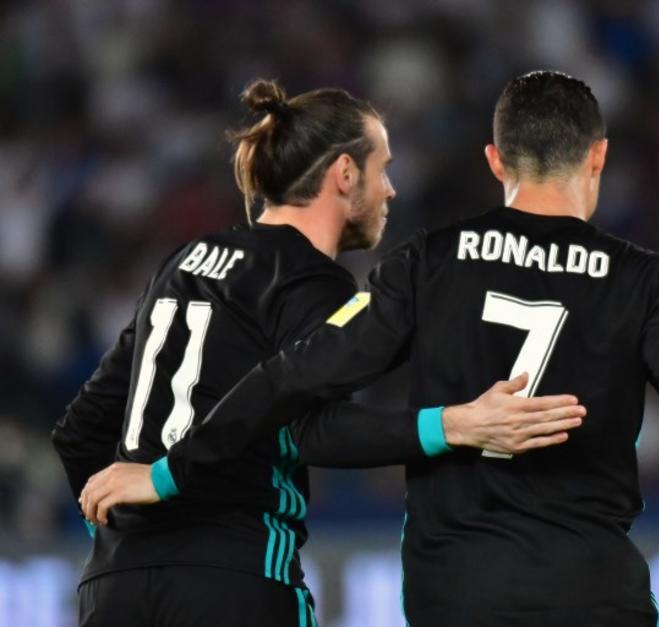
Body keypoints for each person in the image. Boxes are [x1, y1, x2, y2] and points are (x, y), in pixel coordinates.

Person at [83, 71, 659, 626]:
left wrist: (170, 472)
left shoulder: (427, 262)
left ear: (496, 160)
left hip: (455, 591)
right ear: (597, 157)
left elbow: (294, 377)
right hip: (593, 589)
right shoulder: (647, 279)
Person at [53, 78, 585, 627]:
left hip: (113, 586)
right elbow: (316, 431)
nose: (390, 191)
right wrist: (457, 425)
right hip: (236, 574)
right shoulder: (309, 281)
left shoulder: (184, 261)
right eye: (383, 169)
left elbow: (79, 429)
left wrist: (116, 528)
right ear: (345, 173)